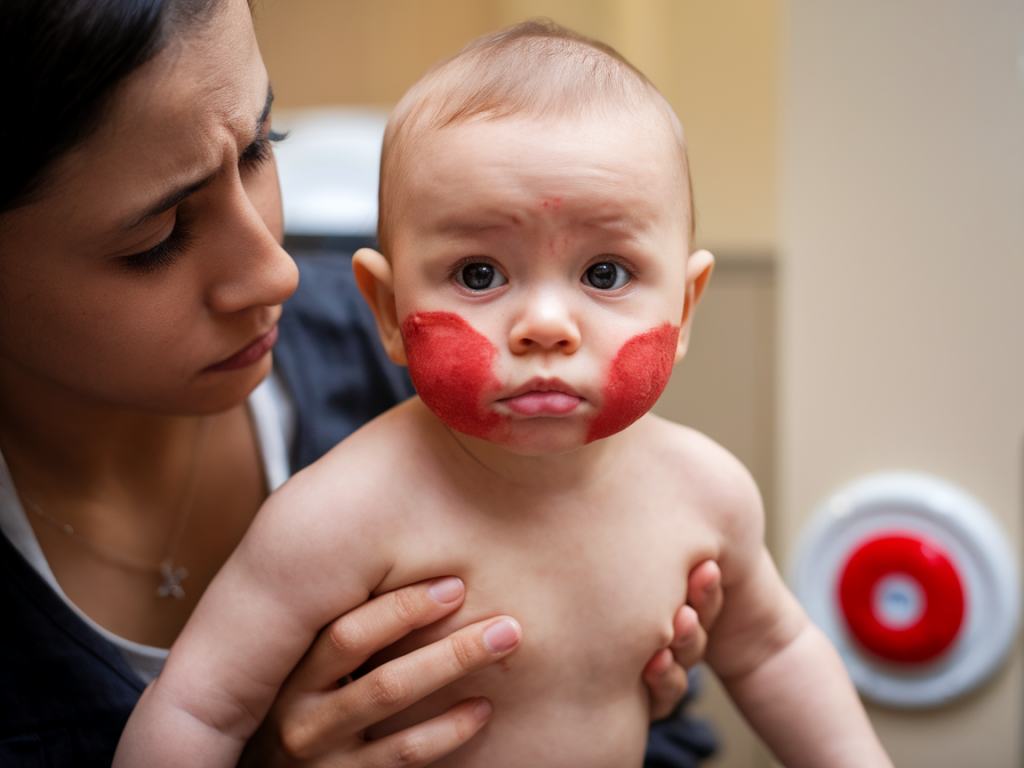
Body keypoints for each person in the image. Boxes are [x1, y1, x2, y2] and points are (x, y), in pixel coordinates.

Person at [115, 18, 894, 768]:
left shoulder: (705, 494)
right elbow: (198, 710)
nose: (546, 325)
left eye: (605, 273)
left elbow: (775, 654)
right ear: (387, 311)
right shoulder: (339, 518)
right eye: (479, 275)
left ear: (685, 310)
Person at [0, 1, 723, 766]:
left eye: (259, 149)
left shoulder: (521, 406)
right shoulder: (354, 483)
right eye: (158, 237)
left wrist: (621, 693)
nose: (277, 271)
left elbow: (711, 709)